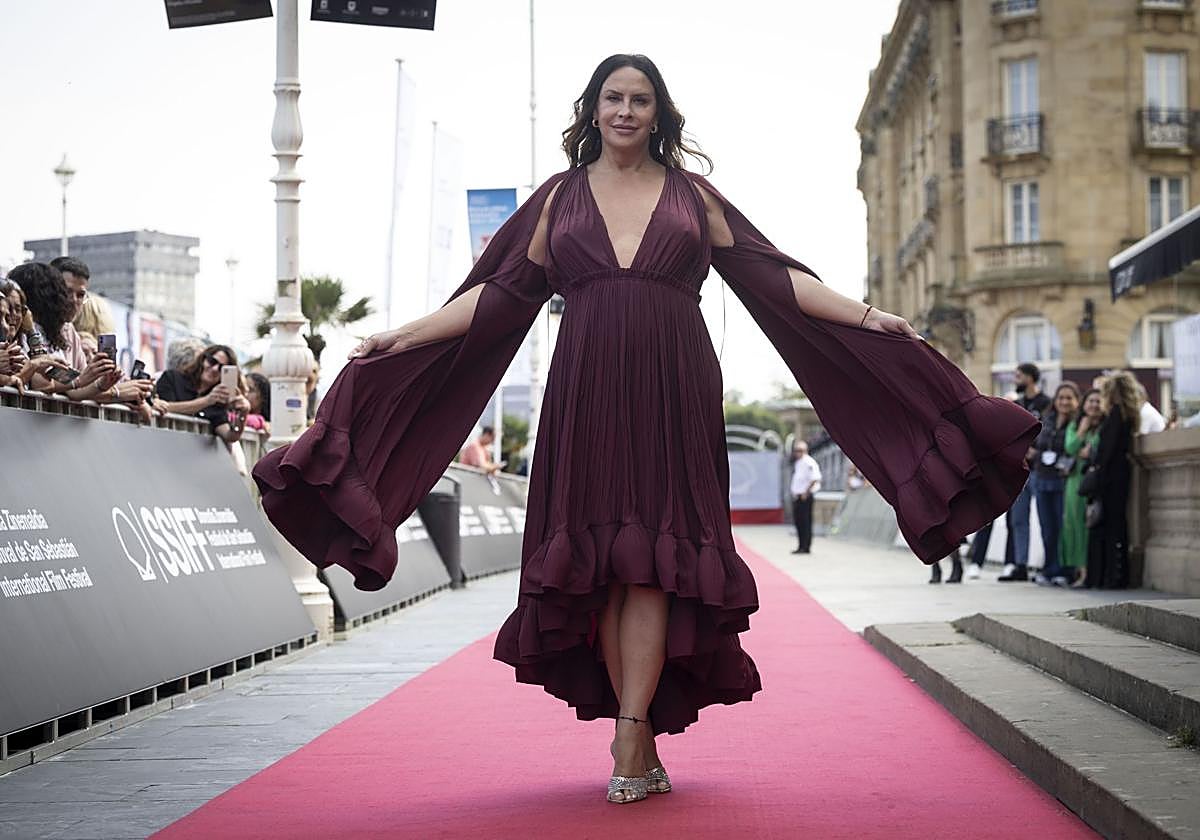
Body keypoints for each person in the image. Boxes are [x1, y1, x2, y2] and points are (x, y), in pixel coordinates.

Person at [252, 54, 1039, 805]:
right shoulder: (558, 199)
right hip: (586, 395)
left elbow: (779, 280)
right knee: (606, 564)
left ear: (658, 113)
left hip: (675, 393)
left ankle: (631, 736)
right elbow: (496, 300)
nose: (626, 111)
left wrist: (869, 316)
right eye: (613, 98)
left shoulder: (693, 197)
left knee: (655, 563)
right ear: (593, 110)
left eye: (640, 100)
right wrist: (409, 333)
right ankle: (640, 734)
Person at [9, 262, 149, 405]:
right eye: (63, 294)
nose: (70, 301)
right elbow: (44, 385)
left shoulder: (59, 330)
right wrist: (83, 380)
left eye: (80, 295)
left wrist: (101, 382)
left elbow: (73, 390)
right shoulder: (18, 332)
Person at [1084, 372, 1139, 589]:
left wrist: (1095, 460)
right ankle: (1115, 575)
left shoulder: (1116, 415)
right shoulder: (1127, 414)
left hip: (1110, 479)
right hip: (1119, 475)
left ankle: (1113, 576)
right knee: (1117, 526)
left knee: (1111, 527)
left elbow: (1107, 451)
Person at [998, 362, 1053, 582]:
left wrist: (1034, 450)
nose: (1015, 379)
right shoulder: (1018, 403)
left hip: (1040, 468)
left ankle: (1047, 565)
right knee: (1018, 520)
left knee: (1045, 519)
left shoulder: (1046, 403)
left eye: (1019, 375)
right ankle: (1020, 564)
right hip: (1019, 469)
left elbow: (1048, 430)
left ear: (1030, 378)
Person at [1032, 382, 1080, 585]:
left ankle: (1064, 570)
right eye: (1061, 398)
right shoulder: (1048, 420)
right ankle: (1049, 569)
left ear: (1077, 401)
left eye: (1069, 398)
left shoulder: (1077, 424)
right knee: (1047, 528)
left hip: (1064, 480)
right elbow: (1036, 444)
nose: (1064, 402)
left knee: (1063, 527)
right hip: (1042, 478)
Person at [154, 344, 251, 443]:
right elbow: (165, 407)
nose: (214, 369)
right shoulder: (172, 378)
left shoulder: (218, 401)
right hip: (161, 443)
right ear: (203, 359)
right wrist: (206, 401)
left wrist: (243, 414)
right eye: (212, 361)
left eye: (222, 368)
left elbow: (230, 436)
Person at [1060, 388, 1103, 587]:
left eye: (1098, 401)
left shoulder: (1105, 426)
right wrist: (1082, 430)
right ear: (1084, 404)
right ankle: (1079, 571)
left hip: (1095, 482)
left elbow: (1095, 450)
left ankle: (1089, 571)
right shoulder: (1075, 425)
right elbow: (1070, 447)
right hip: (1075, 482)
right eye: (1091, 401)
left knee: (1090, 526)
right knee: (1074, 525)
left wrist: (1086, 450)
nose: (1094, 405)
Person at [789, 440, 821, 554]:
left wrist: (806, 493)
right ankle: (801, 545)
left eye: (800, 450)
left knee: (805, 522)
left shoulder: (809, 462)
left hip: (805, 496)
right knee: (798, 522)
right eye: (796, 450)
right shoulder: (798, 463)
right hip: (797, 496)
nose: (797, 453)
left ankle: (806, 546)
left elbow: (815, 478)